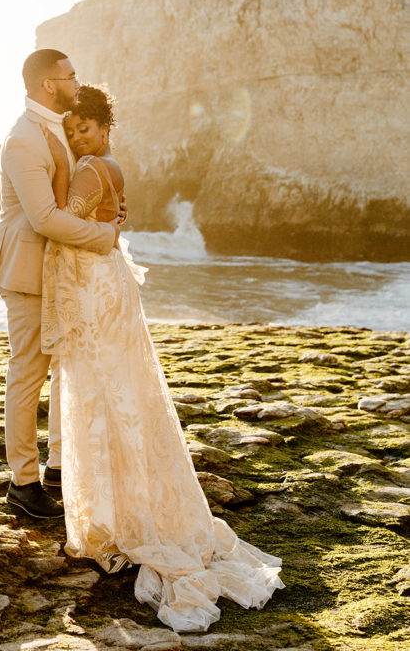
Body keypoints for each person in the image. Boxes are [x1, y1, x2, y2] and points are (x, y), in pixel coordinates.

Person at [41, 84, 285, 632]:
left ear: (105, 127)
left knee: (105, 392)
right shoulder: (110, 165)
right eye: (70, 130)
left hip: (95, 284)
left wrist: (79, 214)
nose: (77, 136)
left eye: (85, 128)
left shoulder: (90, 169)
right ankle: (130, 503)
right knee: (122, 394)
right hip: (108, 282)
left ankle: (119, 515)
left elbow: (63, 223)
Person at [0, 50, 122, 520]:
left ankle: (58, 468)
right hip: (27, 270)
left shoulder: (64, 129)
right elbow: (45, 218)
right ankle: (22, 484)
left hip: (64, 270)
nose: (76, 81)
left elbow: (80, 191)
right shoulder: (23, 139)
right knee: (28, 373)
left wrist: (107, 206)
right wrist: (106, 236)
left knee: (67, 367)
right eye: (70, 76)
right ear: (49, 84)